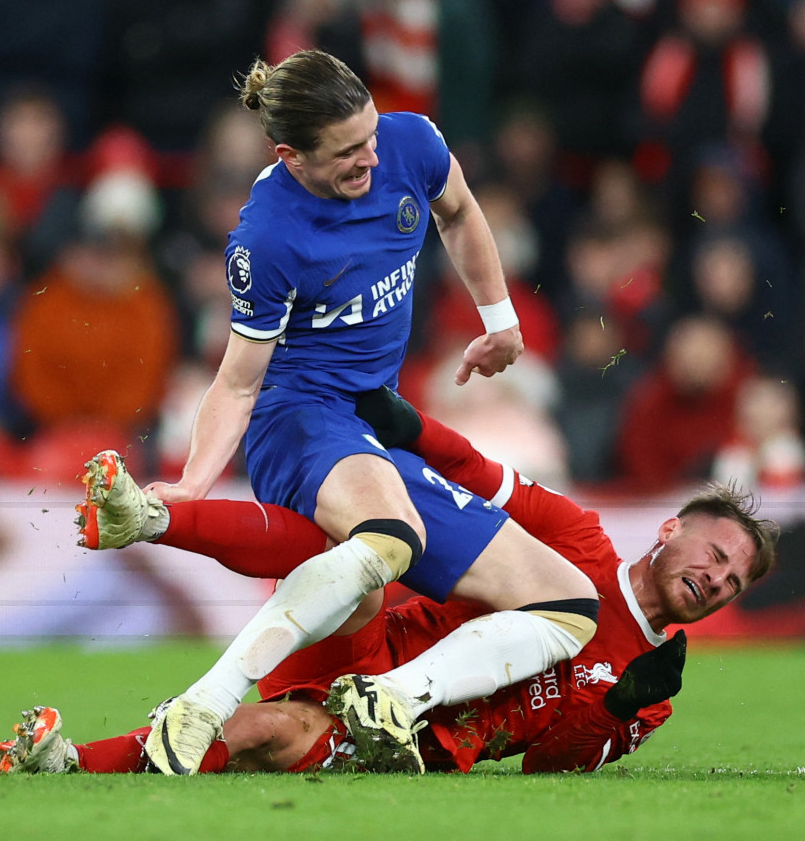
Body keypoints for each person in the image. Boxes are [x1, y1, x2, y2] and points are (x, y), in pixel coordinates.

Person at [121, 51, 598, 776]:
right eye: (348, 151)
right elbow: (239, 380)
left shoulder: (412, 144)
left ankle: (390, 700)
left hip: (374, 423)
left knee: (567, 601)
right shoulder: (267, 236)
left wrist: (498, 318)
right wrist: (191, 483)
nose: (371, 158)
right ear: (292, 157)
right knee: (391, 537)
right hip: (299, 417)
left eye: (371, 135)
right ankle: (204, 703)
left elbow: (462, 212)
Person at [0, 391, 777, 775]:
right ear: (671, 527)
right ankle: (155, 516)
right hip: (371, 638)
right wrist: (405, 425)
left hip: (420, 741)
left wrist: (617, 702)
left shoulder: (655, 691)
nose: (716, 578)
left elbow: (550, 769)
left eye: (733, 581)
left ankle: (71, 761)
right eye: (715, 553)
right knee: (362, 546)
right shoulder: (576, 539)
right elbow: (482, 477)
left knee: (271, 731)